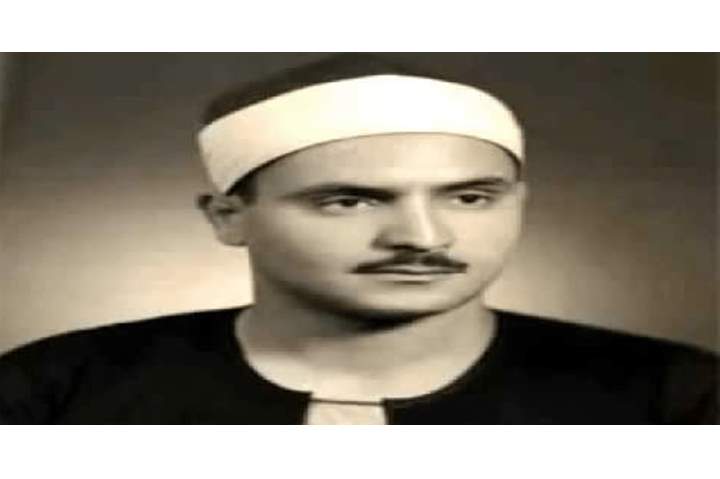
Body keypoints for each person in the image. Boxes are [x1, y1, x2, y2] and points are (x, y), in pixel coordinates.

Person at [0, 55, 716, 424]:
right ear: (228, 217)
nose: (422, 236)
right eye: (349, 200)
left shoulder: (675, 397)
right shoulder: (56, 390)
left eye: (470, 197)